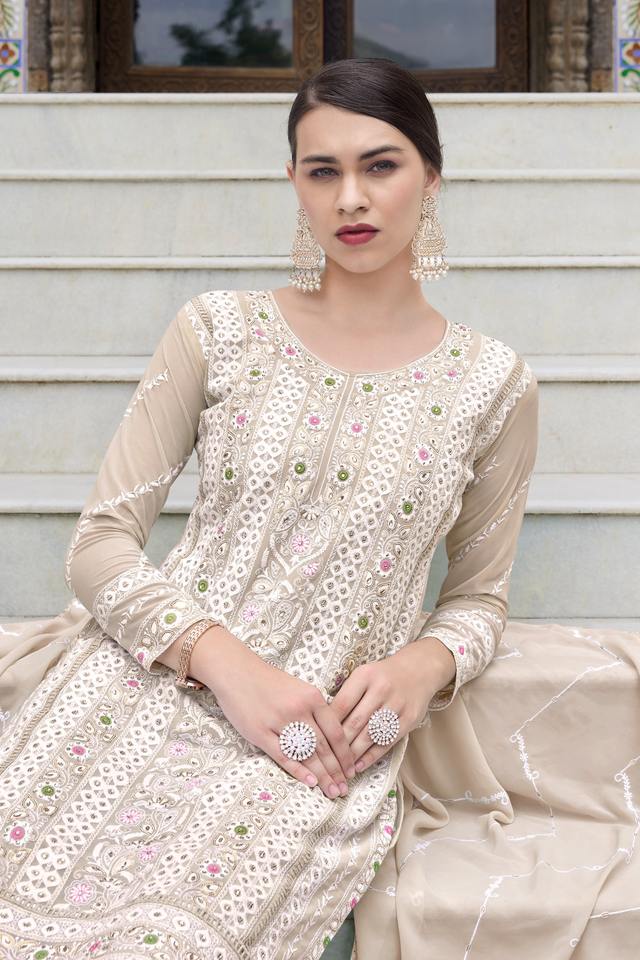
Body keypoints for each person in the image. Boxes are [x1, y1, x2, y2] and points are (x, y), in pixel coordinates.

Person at [0, 57, 638, 960]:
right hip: (148, 683)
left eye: (381, 165)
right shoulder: (218, 330)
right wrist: (228, 668)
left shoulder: (492, 384)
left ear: (432, 176)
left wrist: (424, 664)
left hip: (322, 741)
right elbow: (100, 546)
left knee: (167, 940)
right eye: (322, 170)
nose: (351, 198)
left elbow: (478, 595)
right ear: (294, 183)